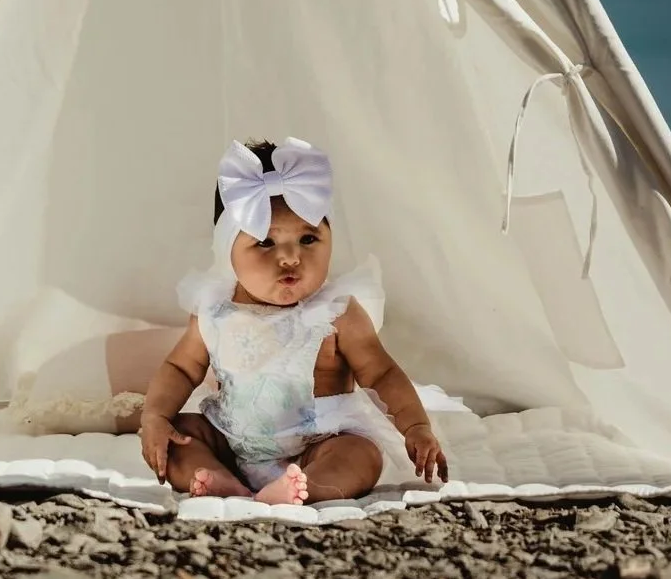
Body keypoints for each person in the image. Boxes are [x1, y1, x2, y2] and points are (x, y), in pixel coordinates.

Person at [139, 137, 454, 506]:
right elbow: (180, 367)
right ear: (228, 251)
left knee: (361, 455)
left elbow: (381, 373)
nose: (290, 257)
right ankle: (220, 480)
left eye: (308, 238)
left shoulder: (337, 312)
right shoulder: (214, 310)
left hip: (319, 443)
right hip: (233, 438)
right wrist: (155, 416)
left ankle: (303, 486)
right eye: (266, 243)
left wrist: (415, 426)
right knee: (182, 433)